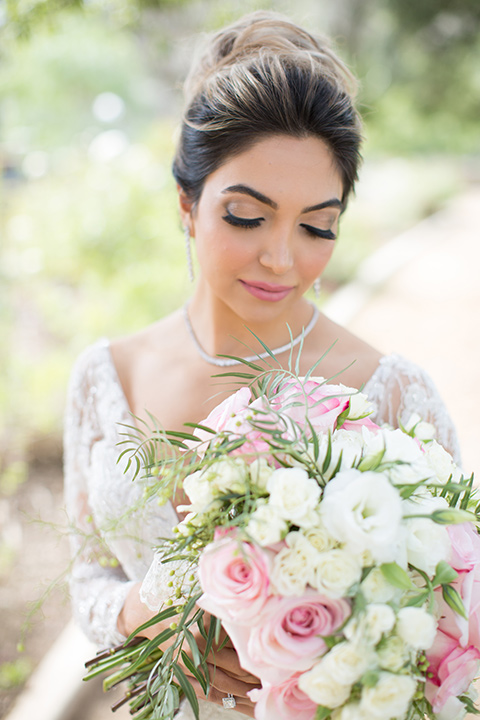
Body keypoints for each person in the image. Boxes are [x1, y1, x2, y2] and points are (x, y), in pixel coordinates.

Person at [63, 10, 460, 719]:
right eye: (247, 216)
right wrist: (143, 616)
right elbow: (88, 579)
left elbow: (452, 608)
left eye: (317, 226)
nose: (283, 258)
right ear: (187, 204)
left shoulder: (392, 395)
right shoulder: (104, 378)